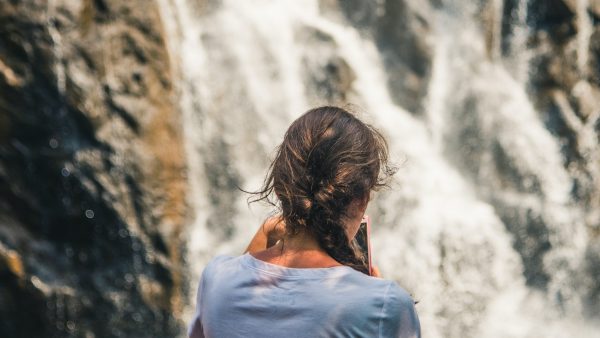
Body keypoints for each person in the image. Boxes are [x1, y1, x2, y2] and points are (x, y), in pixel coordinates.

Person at [188, 106, 421, 338]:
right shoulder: (384, 305)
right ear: (361, 200)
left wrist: (264, 232)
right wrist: (376, 296)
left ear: (279, 189)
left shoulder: (216, 278)